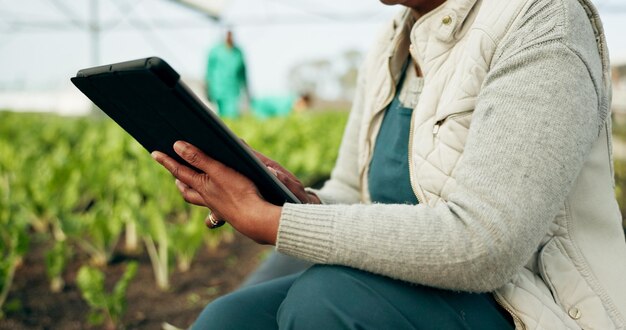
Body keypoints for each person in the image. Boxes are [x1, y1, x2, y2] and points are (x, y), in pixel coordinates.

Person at [152, 0, 626, 328]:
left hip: (523, 305)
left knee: (327, 303)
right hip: (414, 287)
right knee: (228, 319)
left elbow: (487, 245)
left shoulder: (543, 21)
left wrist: (280, 223)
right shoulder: (391, 43)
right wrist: (293, 198)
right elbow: (349, 190)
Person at [206, 29, 249, 119]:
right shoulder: (215, 51)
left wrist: (247, 91)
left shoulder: (238, 52)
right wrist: (207, 88)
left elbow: (243, 73)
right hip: (217, 90)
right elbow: (209, 71)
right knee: (218, 116)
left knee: (231, 115)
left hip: (233, 91)